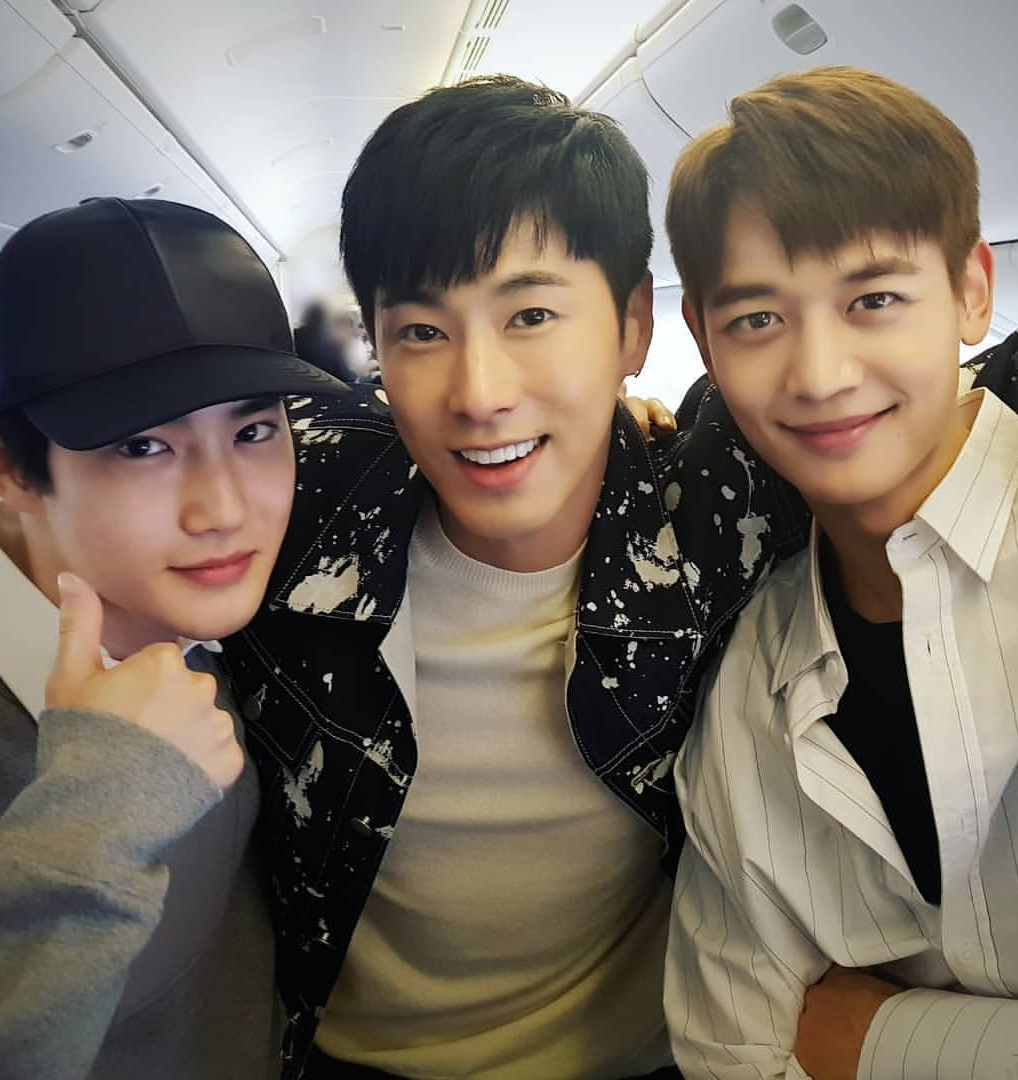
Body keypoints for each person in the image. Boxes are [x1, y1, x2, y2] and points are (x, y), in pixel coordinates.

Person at [220, 74, 816, 1080]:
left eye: (532, 314)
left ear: (634, 326)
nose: (479, 393)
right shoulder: (290, 497)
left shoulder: (721, 511)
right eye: (421, 332)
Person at [662, 67, 1018, 1079]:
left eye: (873, 298)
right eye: (757, 320)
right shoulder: (750, 688)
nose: (820, 375)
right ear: (702, 341)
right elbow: (728, 1051)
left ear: (972, 291)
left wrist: (879, 1040)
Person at [0, 196, 342, 1079]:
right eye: (141, 448)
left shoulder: (218, 606)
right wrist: (102, 811)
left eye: (254, 430)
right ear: (5, 464)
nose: (225, 510)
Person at [294, 299, 356, 384]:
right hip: (325, 387)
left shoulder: (295, 336)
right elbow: (347, 376)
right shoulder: (331, 345)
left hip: (297, 384)